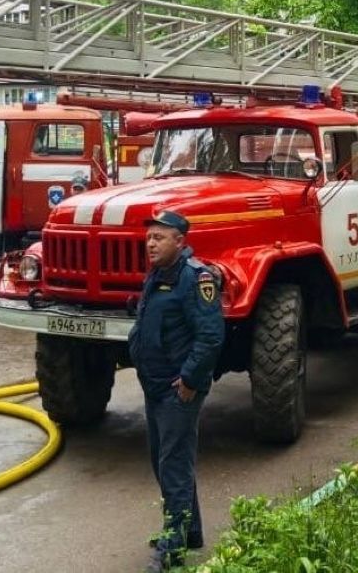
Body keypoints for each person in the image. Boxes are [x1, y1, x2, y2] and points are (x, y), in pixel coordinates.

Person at [128, 210, 225, 573]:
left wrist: (189, 381)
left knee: (173, 466)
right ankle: (191, 531)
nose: (151, 243)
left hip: (177, 389)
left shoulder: (195, 279)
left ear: (179, 241)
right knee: (165, 460)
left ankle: (173, 544)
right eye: (149, 237)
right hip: (155, 385)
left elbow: (211, 337)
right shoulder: (157, 275)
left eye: (159, 237)